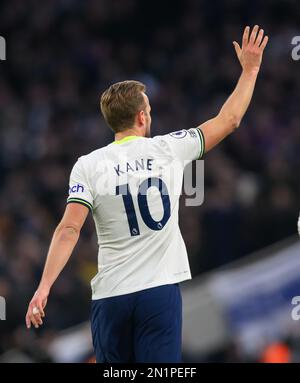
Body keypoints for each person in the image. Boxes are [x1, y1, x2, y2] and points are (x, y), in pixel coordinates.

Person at [25, 26, 268, 362]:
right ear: (142, 116)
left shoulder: (88, 165)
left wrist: (44, 286)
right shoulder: (168, 148)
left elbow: (69, 229)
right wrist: (251, 71)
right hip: (158, 292)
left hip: (111, 297)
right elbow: (230, 119)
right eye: (149, 109)